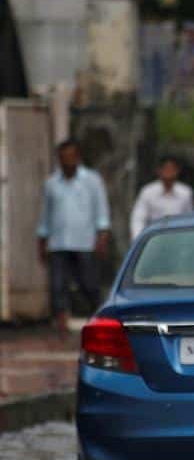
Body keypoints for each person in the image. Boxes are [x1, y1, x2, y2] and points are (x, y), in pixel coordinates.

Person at [37, 139, 110, 334]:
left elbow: (101, 210)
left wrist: (102, 236)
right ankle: (61, 322)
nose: (67, 161)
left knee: (88, 283)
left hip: (84, 241)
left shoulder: (92, 180)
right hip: (58, 242)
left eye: (71, 156)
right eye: (63, 157)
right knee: (58, 285)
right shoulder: (51, 183)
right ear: (59, 159)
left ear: (77, 157)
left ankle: (98, 318)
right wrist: (42, 240)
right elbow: (46, 214)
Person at [129, 155, 194, 239]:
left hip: (179, 238)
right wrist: (138, 238)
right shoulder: (147, 192)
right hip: (154, 238)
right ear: (159, 170)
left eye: (171, 169)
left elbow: (189, 220)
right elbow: (138, 218)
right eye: (165, 168)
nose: (168, 172)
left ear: (177, 171)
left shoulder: (186, 192)